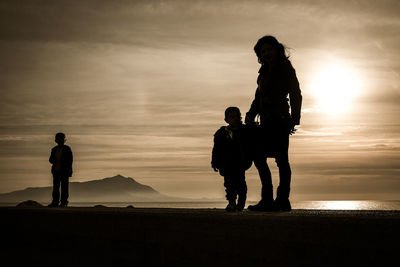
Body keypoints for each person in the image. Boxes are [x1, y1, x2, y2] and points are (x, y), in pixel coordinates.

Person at [245, 35, 302, 212]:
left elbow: (295, 94)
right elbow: (258, 97)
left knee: (281, 160)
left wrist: (295, 119)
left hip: (280, 120)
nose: (267, 53)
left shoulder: (286, 69)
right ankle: (267, 199)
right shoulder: (262, 73)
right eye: (263, 51)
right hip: (265, 122)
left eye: (269, 49)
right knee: (258, 157)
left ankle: (283, 200)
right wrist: (250, 114)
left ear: (277, 49)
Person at [212, 107, 253, 211]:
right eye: (232, 117)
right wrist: (214, 162)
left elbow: (250, 147)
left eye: (238, 116)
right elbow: (216, 149)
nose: (235, 119)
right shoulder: (221, 133)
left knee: (240, 183)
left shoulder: (245, 131)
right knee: (229, 184)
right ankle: (231, 202)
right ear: (226, 119)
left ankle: (241, 202)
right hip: (226, 164)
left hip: (240, 163)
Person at [48, 132, 73, 207]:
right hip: (56, 171)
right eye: (58, 139)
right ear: (56, 140)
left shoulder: (67, 149)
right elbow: (50, 160)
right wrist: (53, 160)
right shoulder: (54, 149)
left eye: (61, 139)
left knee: (64, 187)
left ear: (63, 140)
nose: (59, 140)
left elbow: (70, 160)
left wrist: (69, 170)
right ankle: (55, 202)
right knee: (56, 187)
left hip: (64, 171)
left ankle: (63, 202)